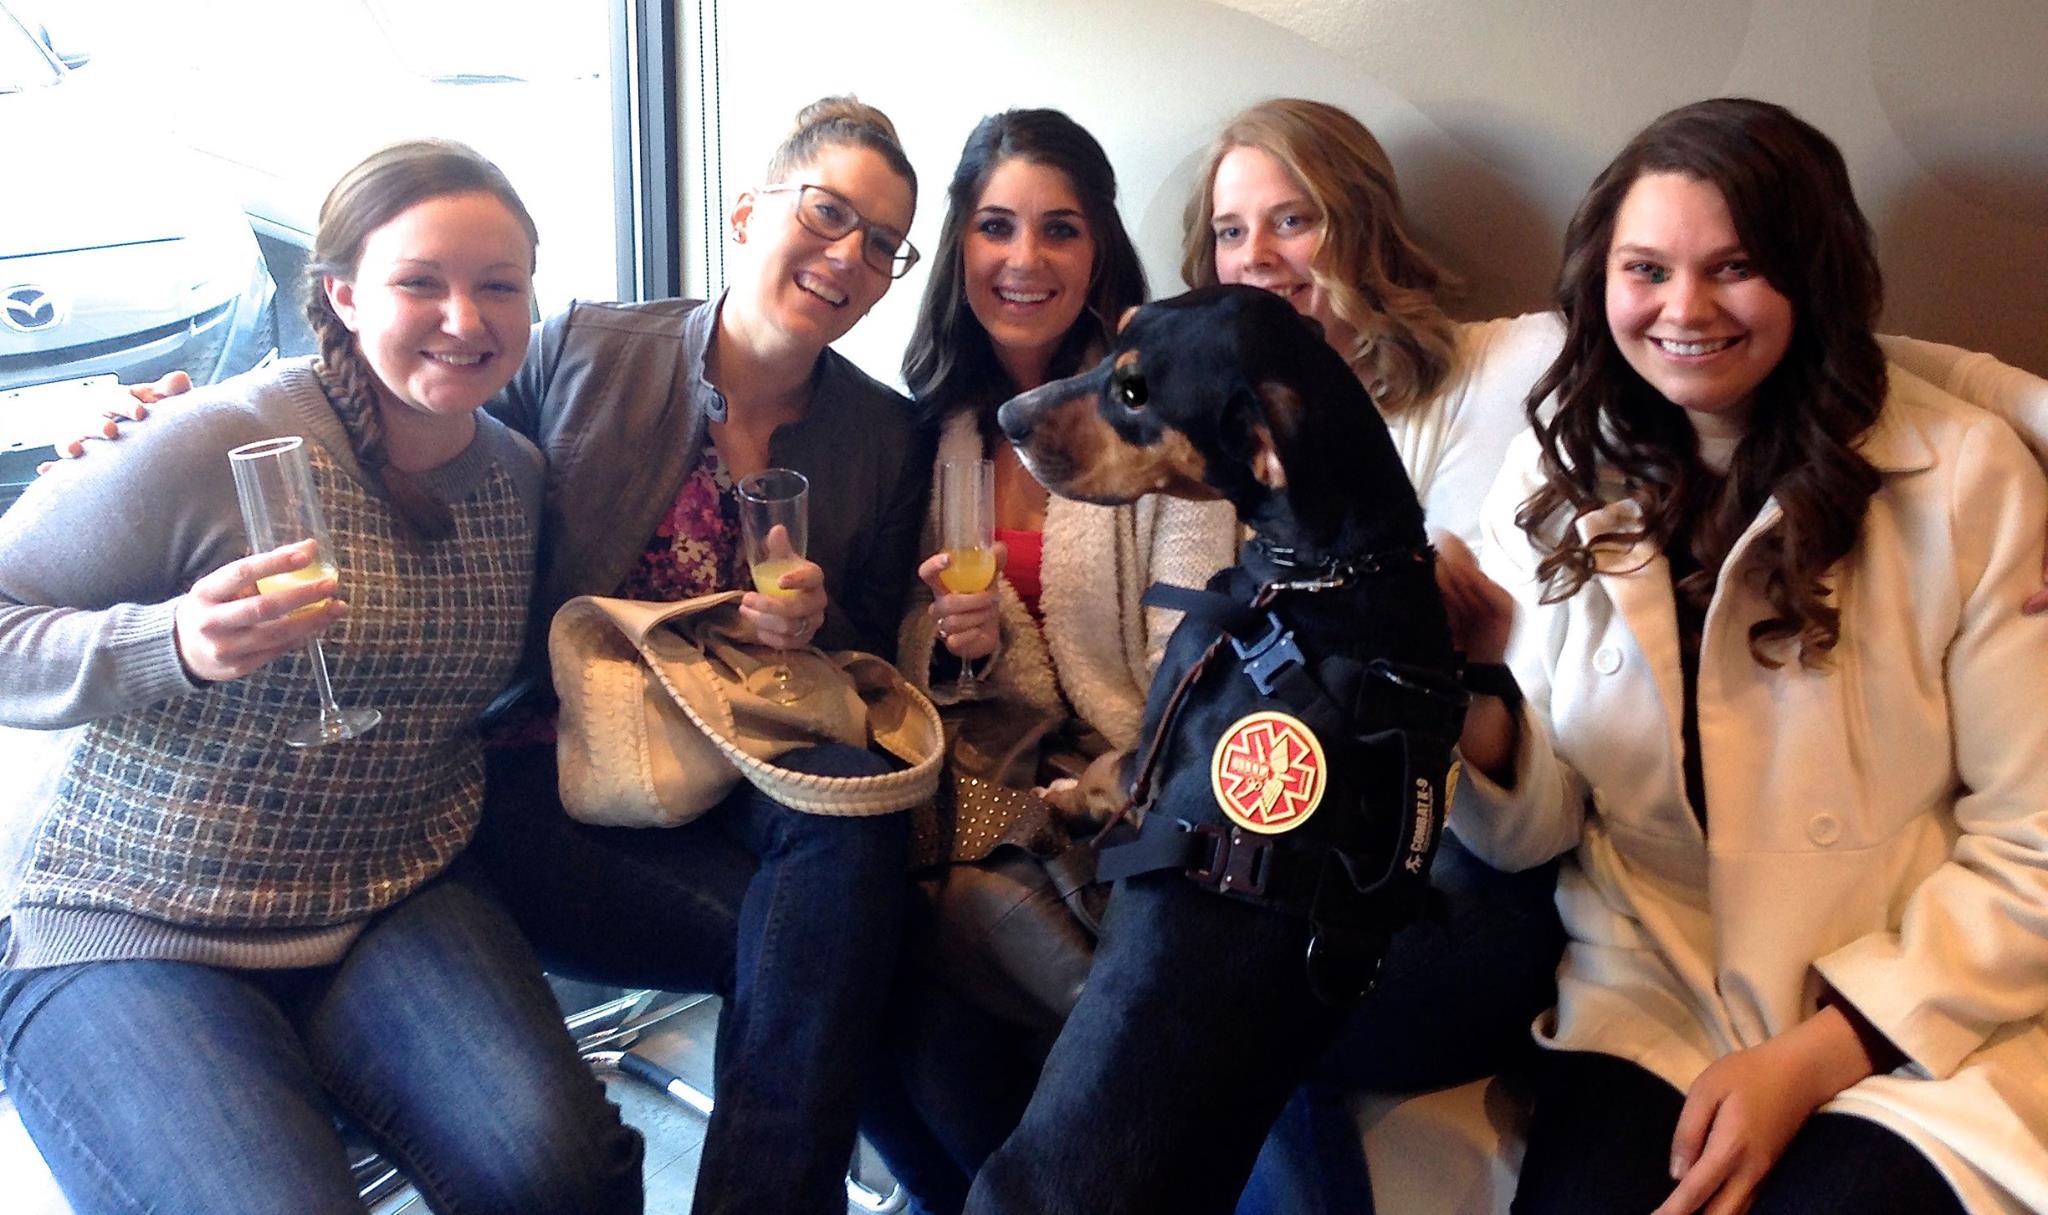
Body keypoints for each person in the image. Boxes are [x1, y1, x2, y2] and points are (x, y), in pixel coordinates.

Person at [0, 140, 643, 1214]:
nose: (466, 320)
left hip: (393, 889)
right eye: (419, 283)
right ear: (343, 294)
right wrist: (170, 645)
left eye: (499, 287)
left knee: (561, 1174)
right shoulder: (216, 438)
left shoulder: (517, 476)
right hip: (133, 917)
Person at [1454, 96, 2048, 1215]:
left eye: (1733, 267)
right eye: (1645, 269)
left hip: (1909, 1011)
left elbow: (2036, 837)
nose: (1683, 309)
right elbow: (1537, 826)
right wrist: (1472, 682)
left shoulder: (1960, 477)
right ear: (1598, 282)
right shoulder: (1552, 478)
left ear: (1808, 276)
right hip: (1651, 992)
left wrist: (1817, 1055)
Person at [465, 95, 932, 1215]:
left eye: (880, 246)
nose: (847, 257)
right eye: (827, 213)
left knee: (858, 812)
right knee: (830, 962)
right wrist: (199, 424)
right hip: (557, 765)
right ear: (743, 214)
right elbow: (413, 428)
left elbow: (875, 639)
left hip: (746, 751)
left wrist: (819, 625)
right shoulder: (585, 348)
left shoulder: (882, 434)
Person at [1182, 97, 1570, 1212]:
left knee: (1232, 1001)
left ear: (1358, 228)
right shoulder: (1249, 439)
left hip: (1479, 869)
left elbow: (1866, 366)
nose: (1257, 257)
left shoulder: (1503, 368)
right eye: (1230, 231)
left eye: (1292, 221)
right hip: (1326, 858)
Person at [873, 107, 1240, 1212]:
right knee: (879, 1006)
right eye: (994, 227)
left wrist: (1080, 773)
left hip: (1146, 785)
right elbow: (926, 671)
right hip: (997, 789)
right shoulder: (933, 430)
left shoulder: (1155, 409)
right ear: (960, 248)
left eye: (1058, 230)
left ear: (1098, 252)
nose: (1023, 260)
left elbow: (1197, 660)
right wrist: (971, 651)